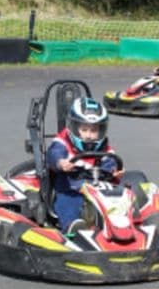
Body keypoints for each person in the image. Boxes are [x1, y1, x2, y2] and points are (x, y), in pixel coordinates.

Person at [46, 97, 122, 235]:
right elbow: (54, 153)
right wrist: (61, 163)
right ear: (74, 128)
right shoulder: (62, 142)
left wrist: (113, 171)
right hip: (71, 188)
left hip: (97, 189)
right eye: (84, 130)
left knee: (122, 193)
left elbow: (110, 161)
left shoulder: (104, 147)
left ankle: (122, 226)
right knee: (68, 201)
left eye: (93, 130)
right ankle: (72, 227)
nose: (88, 136)